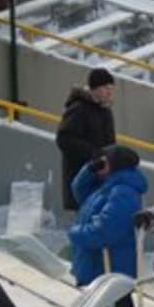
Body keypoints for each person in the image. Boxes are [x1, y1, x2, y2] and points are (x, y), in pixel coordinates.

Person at [69, 145, 146, 307]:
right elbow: (79, 190)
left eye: (103, 161)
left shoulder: (123, 192)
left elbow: (106, 232)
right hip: (101, 267)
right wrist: (90, 169)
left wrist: (75, 233)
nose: (99, 165)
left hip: (111, 267)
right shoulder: (106, 187)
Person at [56, 68, 116, 212]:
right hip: (82, 178)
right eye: (105, 88)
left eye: (111, 88)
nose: (110, 92)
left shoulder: (105, 112)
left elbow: (110, 144)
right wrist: (94, 154)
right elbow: (64, 139)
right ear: (95, 88)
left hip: (101, 178)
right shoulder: (79, 108)